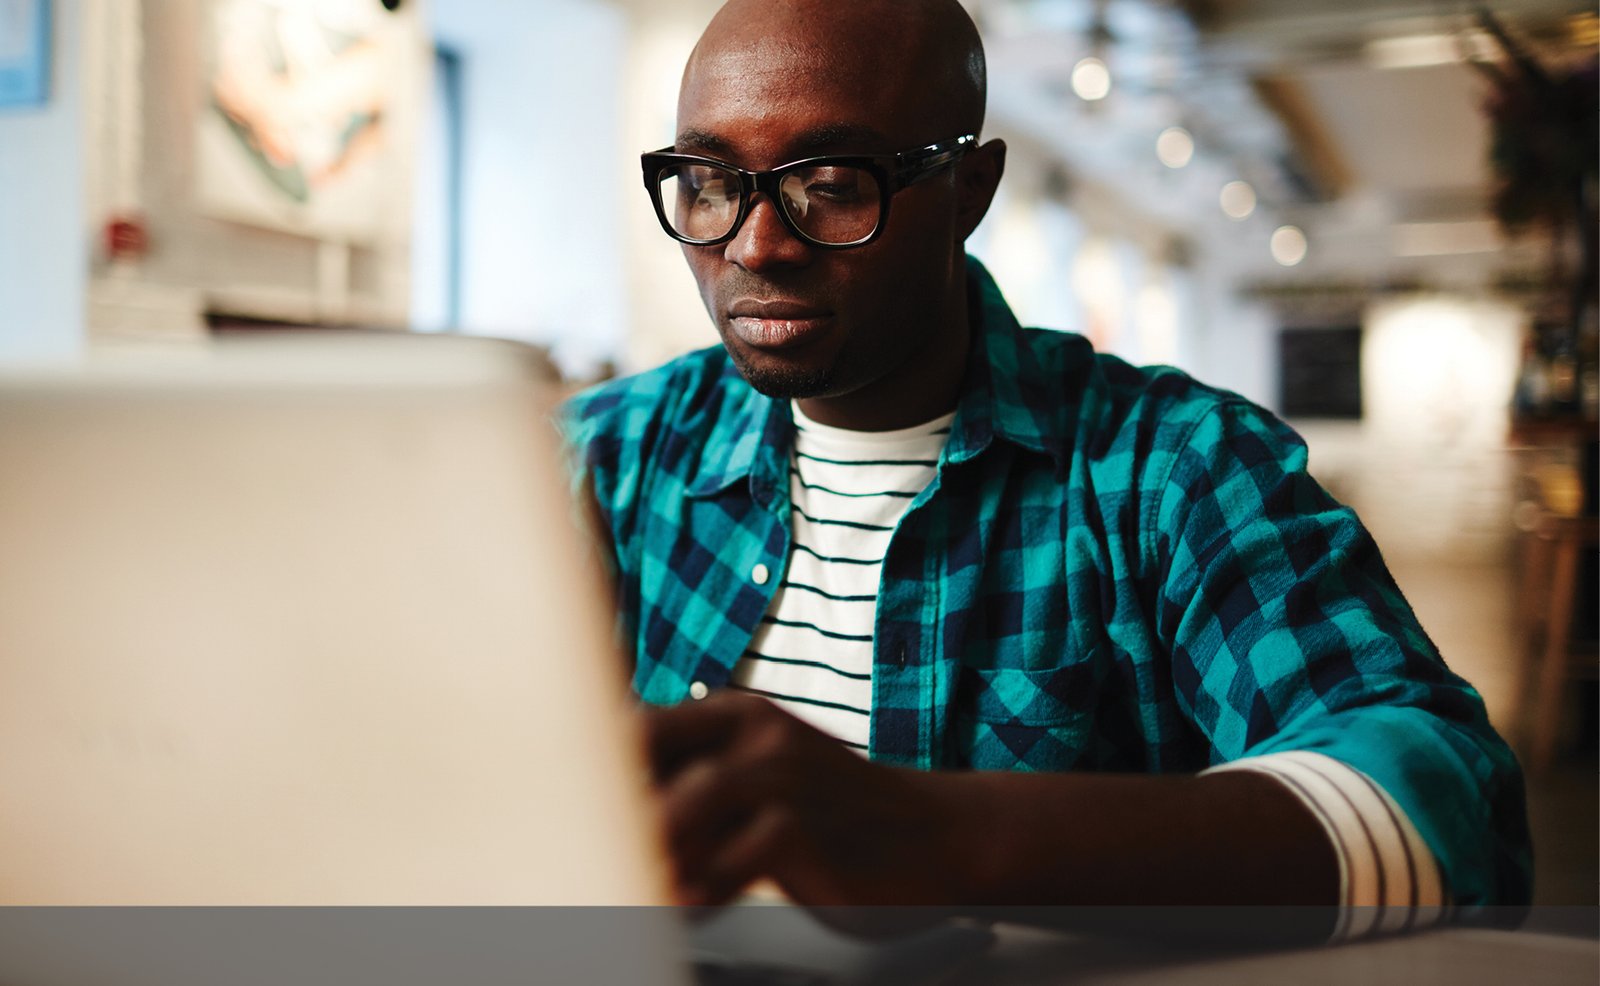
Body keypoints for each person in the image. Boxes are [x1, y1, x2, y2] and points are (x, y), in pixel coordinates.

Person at [561, 0, 1530, 937]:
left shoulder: (1169, 469)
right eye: (709, 180)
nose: (757, 242)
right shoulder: (611, 453)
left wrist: (938, 835)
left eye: (835, 183)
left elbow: (1453, 818)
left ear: (970, 192)